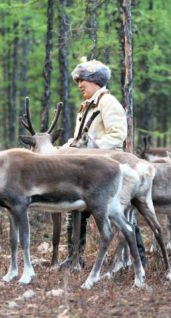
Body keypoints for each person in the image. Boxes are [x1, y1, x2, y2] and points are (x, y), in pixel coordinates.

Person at [62, 59, 147, 268]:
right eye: (78, 81)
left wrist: (89, 149)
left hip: (107, 171)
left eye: (83, 80)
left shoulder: (108, 103)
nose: (79, 84)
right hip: (87, 170)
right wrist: (63, 150)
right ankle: (74, 258)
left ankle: (139, 260)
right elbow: (78, 139)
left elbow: (117, 136)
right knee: (75, 212)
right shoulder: (86, 106)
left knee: (118, 213)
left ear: (95, 81)